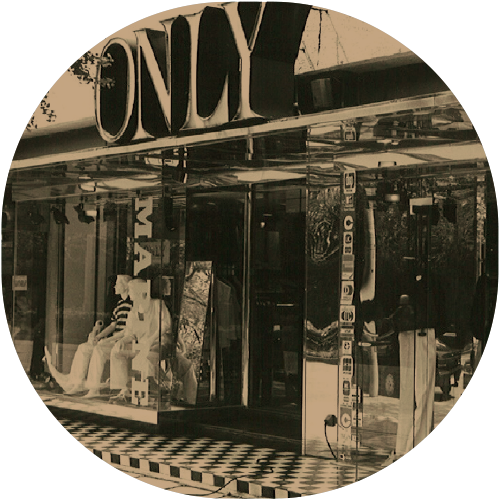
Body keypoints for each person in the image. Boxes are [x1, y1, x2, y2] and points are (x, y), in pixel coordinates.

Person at [108, 278, 197, 405]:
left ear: (139, 292)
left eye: (131, 290)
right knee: (116, 352)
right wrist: (122, 341)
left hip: (160, 344)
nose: (129, 293)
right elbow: (130, 334)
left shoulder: (157, 304)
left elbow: (165, 325)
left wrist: (151, 340)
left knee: (176, 363)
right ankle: (123, 390)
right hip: (142, 347)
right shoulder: (134, 312)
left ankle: (183, 398)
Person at [44, 275, 133, 395]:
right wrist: (99, 336)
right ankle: (77, 383)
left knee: (99, 349)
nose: (115, 286)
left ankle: (94, 388)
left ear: (126, 286)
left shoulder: (131, 305)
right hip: (112, 340)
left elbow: (127, 331)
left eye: (118, 284)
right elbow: (113, 326)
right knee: (83, 348)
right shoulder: (119, 305)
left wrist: (106, 340)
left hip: (121, 342)